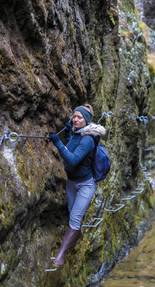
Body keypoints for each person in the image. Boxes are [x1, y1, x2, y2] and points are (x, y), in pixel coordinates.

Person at [49, 103, 106, 268]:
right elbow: (73, 147)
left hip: (85, 186)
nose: (75, 119)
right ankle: (77, 233)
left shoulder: (88, 138)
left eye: (79, 117)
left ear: (86, 120)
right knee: (73, 214)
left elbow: (73, 159)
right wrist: (67, 135)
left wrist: (58, 143)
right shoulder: (77, 132)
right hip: (72, 183)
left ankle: (60, 256)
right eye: (74, 116)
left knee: (74, 219)